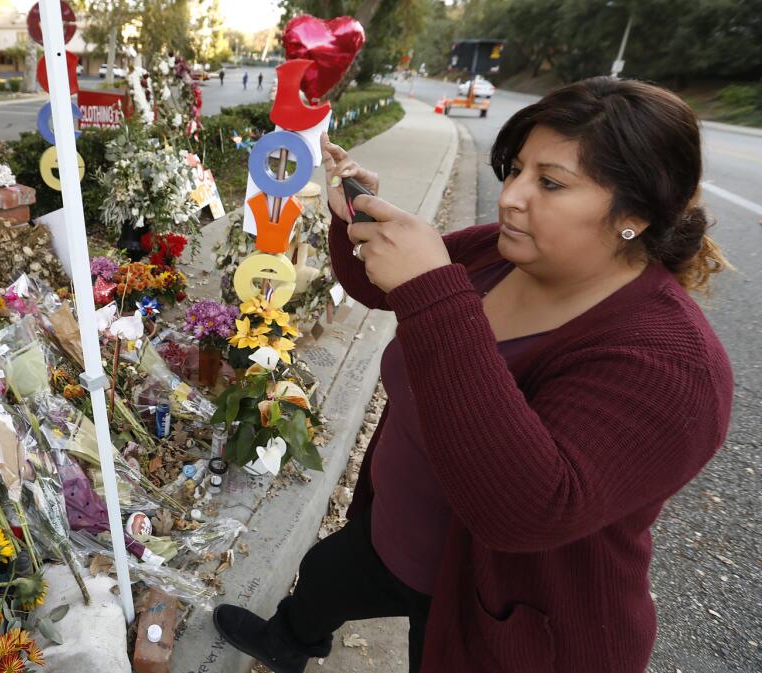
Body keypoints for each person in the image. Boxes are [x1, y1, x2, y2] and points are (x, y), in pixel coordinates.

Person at [212, 76, 734, 673]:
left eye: (551, 183)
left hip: (502, 608)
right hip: (393, 534)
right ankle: (289, 643)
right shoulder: (499, 251)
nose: (511, 195)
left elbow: (526, 507)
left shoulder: (673, 365)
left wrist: (432, 288)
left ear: (636, 213)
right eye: (515, 169)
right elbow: (380, 287)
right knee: (324, 578)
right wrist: (353, 218)